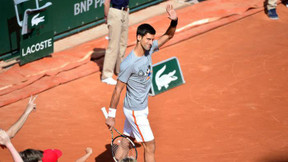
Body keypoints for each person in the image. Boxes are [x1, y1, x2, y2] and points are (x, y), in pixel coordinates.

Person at [105, 4, 178, 162]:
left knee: (125, 142)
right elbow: (117, 90)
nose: (151, 42)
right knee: (150, 145)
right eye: (148, 39)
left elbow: (169, 36)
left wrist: (174, 21)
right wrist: (111, 116)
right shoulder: (128, 64)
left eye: (152, 39)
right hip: (135, 111)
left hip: (140, 108)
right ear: (139, 37)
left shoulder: (149, 49)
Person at [101, 0, 130, 85]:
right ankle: (106, 76)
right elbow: (106, 2)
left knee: (123, 43)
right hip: (115, 13)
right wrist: (107, 17)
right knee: (113, 46)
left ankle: (119, 70)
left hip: (125, 11)